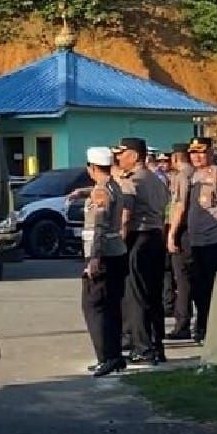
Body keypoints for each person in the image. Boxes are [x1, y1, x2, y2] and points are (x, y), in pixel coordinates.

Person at [167, 136, 217, 344]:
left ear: (211, 153)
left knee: (211, 288)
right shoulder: (190, 176)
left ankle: (208, 328)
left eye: (201, 152)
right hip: (194, 240)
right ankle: (202, 326)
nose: (197, 156)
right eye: (193, 153)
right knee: (197, 288)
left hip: (214, 240)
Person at [114, 137, 169, 365]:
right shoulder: (157, 180)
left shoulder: (133, 181)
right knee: (154, 294)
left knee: (135, 295)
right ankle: (157, 346)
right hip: (156, 235)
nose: (118, 158)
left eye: (122, 153)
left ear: (135, 156)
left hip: (139, 237)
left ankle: (142, 348)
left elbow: (126, 218)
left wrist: (119, 243)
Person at [80, 147, 129, 377]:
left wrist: (94, 259)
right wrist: (80, 194)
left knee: (94, 306)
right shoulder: (114, 185)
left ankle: (105, 357)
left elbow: (98, 225)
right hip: (116, 252)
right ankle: (115, 355)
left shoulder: (100, 191)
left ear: (91, 168)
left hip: (103, 255)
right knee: (112, 306)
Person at [164, 144, 194, 339]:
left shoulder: (182, 176)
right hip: (193, 230)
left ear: (175, 158)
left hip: (182, 230)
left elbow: (179, 206)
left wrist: (171, 234)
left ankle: (182, 324)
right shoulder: (195, 173)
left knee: (181, 279)